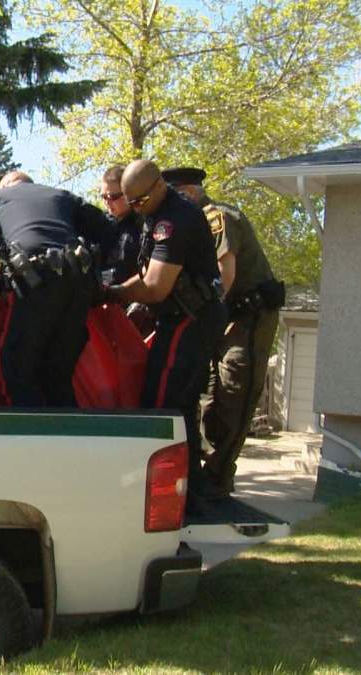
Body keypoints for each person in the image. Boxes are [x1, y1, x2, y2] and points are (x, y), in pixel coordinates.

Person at [105, 159, 227, 502]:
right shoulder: (156, 212)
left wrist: (113, 294)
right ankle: (190, 492)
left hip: (190, 316)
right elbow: (146, 273)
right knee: (179, 406)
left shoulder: (175, 219)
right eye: (131, 202)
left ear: (159, 185)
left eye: (140, 201)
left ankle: (166, 494)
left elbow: (155, 287)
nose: (136, 208)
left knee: (161, 406)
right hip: (182, 316)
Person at [162, 167, 285, 496]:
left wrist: (206, 320)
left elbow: (223, 273)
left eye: (174, 196)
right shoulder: (192, 221)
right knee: (212, 397)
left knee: (234, 394)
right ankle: (210, 475)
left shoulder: (216, 217)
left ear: (189, 193)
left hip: (246, 319)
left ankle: (217, 479)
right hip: (225, 320)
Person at [0, 171, 109, 407]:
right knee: (59, 372)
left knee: (16, 366)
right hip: (79, 277)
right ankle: (67, 427)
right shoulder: (63, 196)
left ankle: (29, 427)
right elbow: (107, 230)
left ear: (5, 187)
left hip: (34, 278)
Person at [98, 164, 143, 285]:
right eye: (103, 197)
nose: (107, 202)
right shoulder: (100, 224)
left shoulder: (144, 225)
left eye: (113, 197)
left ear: (129, 193)